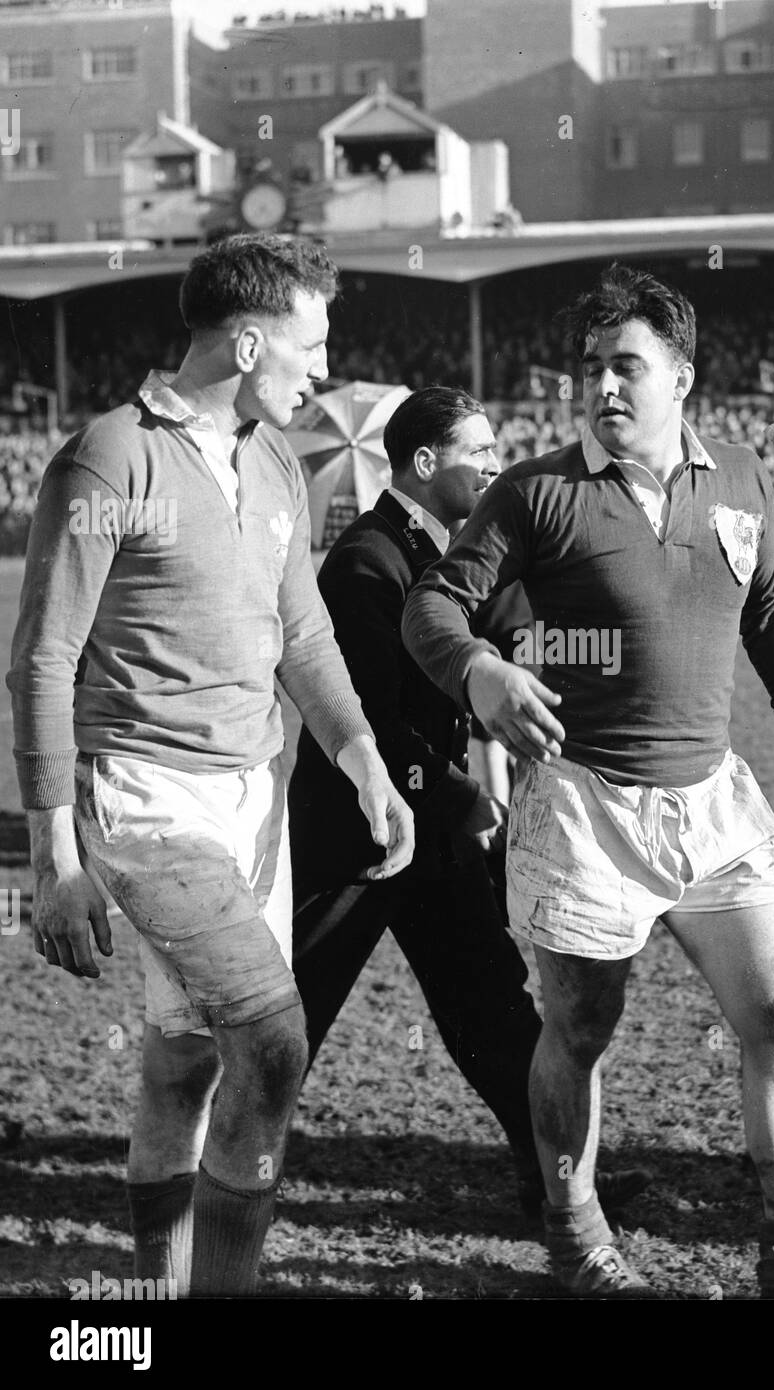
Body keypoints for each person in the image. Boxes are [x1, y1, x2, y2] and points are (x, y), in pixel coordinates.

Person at [402, 264, 774, 1299]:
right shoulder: (536, 491)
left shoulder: (736, 478)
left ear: (681, 375)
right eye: (589, 367)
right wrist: (482, 668)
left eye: (626, 365)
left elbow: (773, 610)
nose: (602, 384)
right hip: (587, 809)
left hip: (715, 807)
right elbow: (432, 604)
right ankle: (576, 1231)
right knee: (582, 1029)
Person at [6, 233, 414, 1296]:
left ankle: (159, 1286)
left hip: (256, 806)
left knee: (187, 1055)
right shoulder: (108, 458)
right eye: (308, 347)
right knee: (273, 1042)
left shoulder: (275, 459)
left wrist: (362, 754)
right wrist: (54, 858)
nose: (319, 369)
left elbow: (307, 638)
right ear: (245, 344)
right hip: (146, 800)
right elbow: (43, 657)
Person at [287, 385, 649, 1221]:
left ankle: (556, 1181)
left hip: (438, 832)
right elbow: (367, 719)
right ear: (423, 463)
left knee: (491, 1003)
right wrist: (463, 798)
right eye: (478, 451)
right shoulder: (363, 561)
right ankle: (219, 1170)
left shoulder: (457, 556)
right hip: (360, 833)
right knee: (291, 1017)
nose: (495, 463)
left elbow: (525, 637)